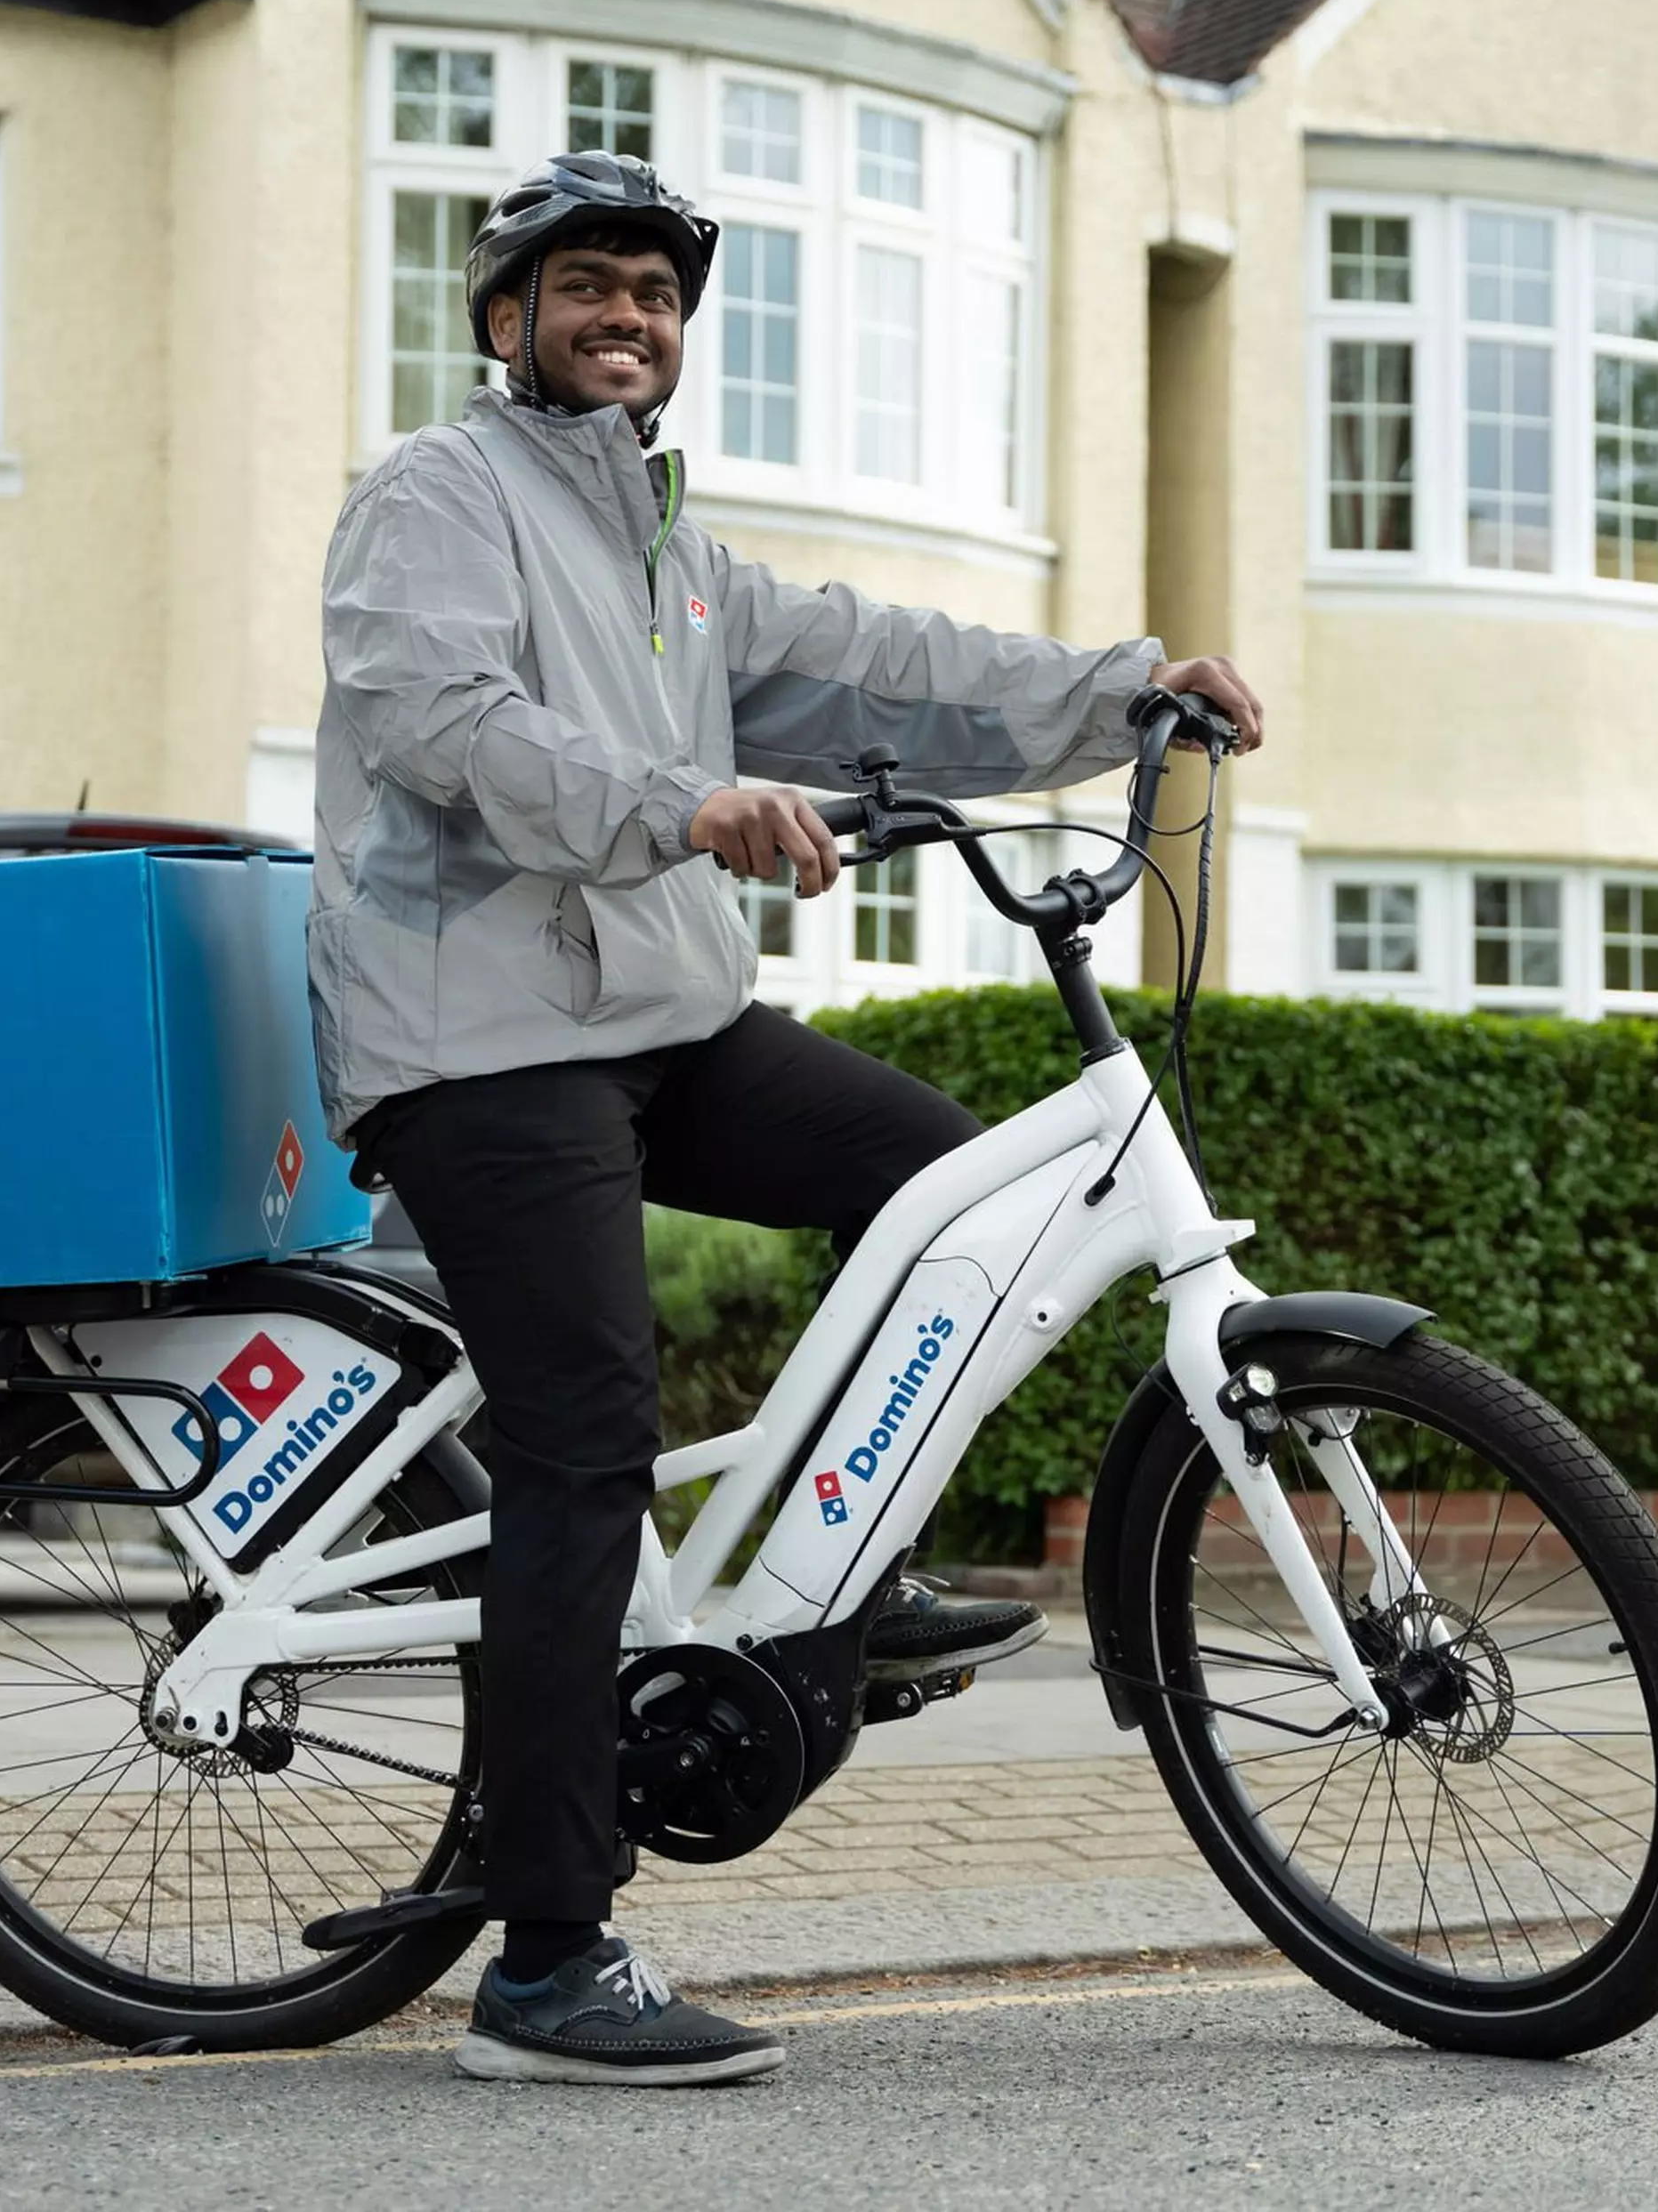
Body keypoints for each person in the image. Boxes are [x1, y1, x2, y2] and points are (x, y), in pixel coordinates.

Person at [313, 150, 1263, 2087]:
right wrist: (684, 804)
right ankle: (547, 1960)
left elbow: (873, 662)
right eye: (585, 285)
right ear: (506, 318)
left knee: (946, 1188)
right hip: (477, 1038)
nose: (625, 317)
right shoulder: (433, 496)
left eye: (655, 296)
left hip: (657, 1013)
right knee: (589, 1445)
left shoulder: (673, 553)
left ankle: (847, 1559)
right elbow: (449, 726)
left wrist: (1127, 688)